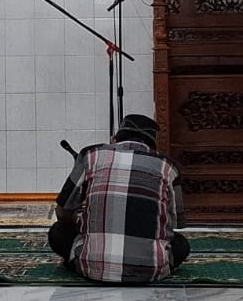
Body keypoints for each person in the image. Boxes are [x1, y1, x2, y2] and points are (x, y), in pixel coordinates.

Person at [50, 113, 188, 284]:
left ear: (114, 139)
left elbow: (62, 212)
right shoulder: (169, 166)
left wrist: (80, 218)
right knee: (181, 244)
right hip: (150, 271)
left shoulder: (90, 156)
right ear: (154, 147)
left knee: (58, 232)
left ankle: (84, 260)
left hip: (92, 270)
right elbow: (175, 223)